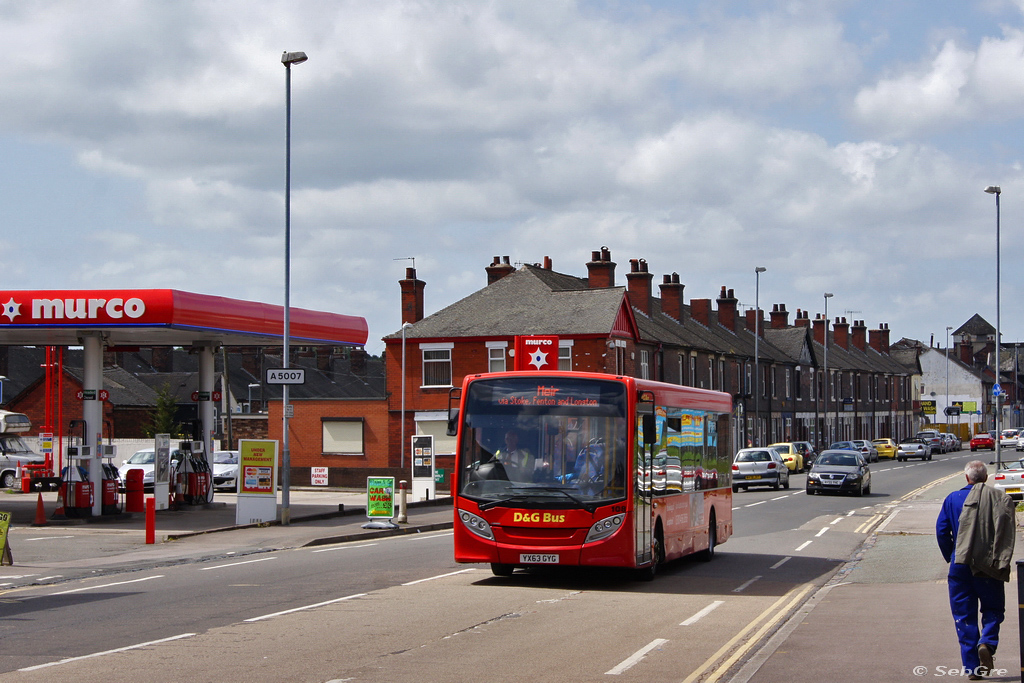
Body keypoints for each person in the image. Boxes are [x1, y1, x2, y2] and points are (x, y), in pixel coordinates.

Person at [936, 460, 1016, 680]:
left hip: (960, 566)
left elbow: (942, 531)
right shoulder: (999, 498)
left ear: (966, 478)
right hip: (988, 564)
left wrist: (952, 556)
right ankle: (987, 644)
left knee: (964, 616)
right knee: (993, 609)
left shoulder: (952, 499)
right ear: (986, 478)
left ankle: (972, 669)